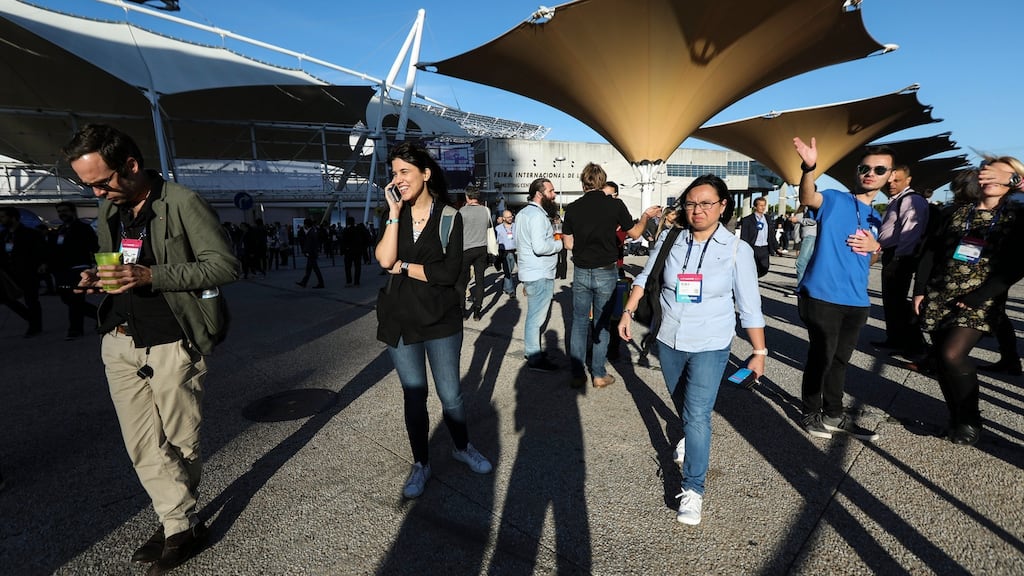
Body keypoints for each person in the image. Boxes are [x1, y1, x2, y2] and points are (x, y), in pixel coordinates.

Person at [63, 123, 238, 572]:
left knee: (181, 442)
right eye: (88, 186)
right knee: (142, 444)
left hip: (173, 340)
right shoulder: (110, 209)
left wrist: (152, 275)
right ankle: (181, 525)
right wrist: (96, 278)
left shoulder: (182, 202)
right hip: (120, 340)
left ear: (131, 165)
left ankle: (177, 524)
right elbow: (118, 264)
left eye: (102, 182)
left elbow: (225, 266)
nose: (97, 193)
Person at [618, 174, 766, 525]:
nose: (697, 210)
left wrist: (759, 352)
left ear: (723, 206)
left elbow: (749, 306)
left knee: (698, 414)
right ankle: (687, 433)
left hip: (711, 342)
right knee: (682, 401)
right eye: (691, 203)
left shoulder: (736, 250)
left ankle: (693, 489)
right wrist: (628, 310)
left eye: (706, 203)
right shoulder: (671, 238)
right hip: (669, 338)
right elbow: (646, 276)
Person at [375, 141, 492, 499]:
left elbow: (448, 273)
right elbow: (384, 260)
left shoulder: (449, 216)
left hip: (441, 319)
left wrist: (405, 267)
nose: (398, 179)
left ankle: (462, 446)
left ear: (425, 174)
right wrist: (393, 213)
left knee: (450, 394)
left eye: (404, 171)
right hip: (399, 319)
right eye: (394, 173)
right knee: (415, 395)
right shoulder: (394, 215)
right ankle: (421, 463)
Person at [914, 159, 1024, 446]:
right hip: (941, 293)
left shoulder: (1016, 216)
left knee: (952, 354)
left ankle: (971, 420)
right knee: (941, 360)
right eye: (986, 173)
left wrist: (979, 296)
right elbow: (930, 251)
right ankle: (957, 418)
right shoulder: (956, 212)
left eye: (999, 175)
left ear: (1013, 180)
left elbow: (1016, 265)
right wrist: (920, 289)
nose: (989, 179)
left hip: (981, 299)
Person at [792, 137, 888, 441]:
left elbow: (871, 258)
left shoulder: (877, 217)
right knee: (821, 357)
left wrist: (876, 247)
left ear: (888, 176)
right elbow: (808, 197)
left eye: (879, 170)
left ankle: (834, 413)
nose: (870, 173)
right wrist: (809, 167)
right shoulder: (834, 199)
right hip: (821, 295)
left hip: (857, 300)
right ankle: (811, 411)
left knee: (839, 361)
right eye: (865, 168)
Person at [562, 162, 661, 388]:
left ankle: (577, 374)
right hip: (606, 271)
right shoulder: (615, 205)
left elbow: (568, 244)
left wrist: (584, 244)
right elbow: (635, 233)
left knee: (578, 323)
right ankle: (598, 374)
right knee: (602, 323)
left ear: (583, 183)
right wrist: (645, 216)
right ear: (602, 181)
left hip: (581, 271)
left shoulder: (573, 208)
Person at [872, 164, 929, 358]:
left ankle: (914, 344)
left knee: (898, 300)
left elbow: (911, 231)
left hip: (900, 255)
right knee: (891, 300)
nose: (891, 184)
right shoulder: (897, 200)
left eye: (897, 180)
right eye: (889, 180)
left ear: (908, 180)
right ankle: (895, 337)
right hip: (893, 253)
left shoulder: (910, 200)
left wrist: (898, 258)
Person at [516, 178, 563, 372]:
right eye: (551, 191)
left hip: (531, 271)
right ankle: (534, 356)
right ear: (539, 193)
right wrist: (560, 244)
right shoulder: (536, 216)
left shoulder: (523, 213)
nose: (554, 195)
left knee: (534, 316)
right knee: (536, 318)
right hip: (539, 272)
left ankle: (533, 351)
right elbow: (540, 247)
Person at [48, 201, 99, 339]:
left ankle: (75, 329)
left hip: (79, 268)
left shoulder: (83, 228)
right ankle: (99, 314)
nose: (62, 214)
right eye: (59, 212)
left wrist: (95, 266)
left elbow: (94, 246)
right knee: (66, 298)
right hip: (62, 270)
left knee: (75, 299)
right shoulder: (60, 229)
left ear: (72, 211)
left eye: (65, 211)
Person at [0, 206, 45, 337]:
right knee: (6, 298)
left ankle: (35, 326)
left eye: (3, 217)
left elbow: (40, 250)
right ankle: (32, 319)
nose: (1, 220)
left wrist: (42, 264)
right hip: (9, 273)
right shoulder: (3, 235)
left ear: (13, 218)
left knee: (31, 300)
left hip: (28, 271)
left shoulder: (30, 234)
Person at [457, 186, 492, 319]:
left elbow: (458, 230)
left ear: (467, 197)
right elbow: (488, 226)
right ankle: (477, 310)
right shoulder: (485, 210)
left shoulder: (462, 211)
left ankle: (462, 311)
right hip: (482, 248)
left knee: (461, 282)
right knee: (480, 281)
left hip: (466, 249)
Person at [738, 197, 779, 277]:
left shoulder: (767, 218)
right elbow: (744, 236)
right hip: (754, 247)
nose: (763, 207)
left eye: (764, 205)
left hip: (764, 248)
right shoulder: (747, 220)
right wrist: (744, 249)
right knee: (753, 267)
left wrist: (776, 247)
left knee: (765, 268)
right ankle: (753, 280)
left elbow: (771, 234)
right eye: (760, 205)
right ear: (755, 207)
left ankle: (754, 278)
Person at [791, 204, 818, 296]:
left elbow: (813, 220)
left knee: (801, 263)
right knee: (807, 263)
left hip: (809, 236)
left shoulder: (811, 207)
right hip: (809, 236)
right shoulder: (807, 209)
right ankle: (806, 288)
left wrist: (798, 220)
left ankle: (801, 288)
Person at [295, 218, 324, 289]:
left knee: (315, 269)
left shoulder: (311, 232)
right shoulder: (313, 231)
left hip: (312, 253)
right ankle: (304, 282)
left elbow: (311, 243)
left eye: (304, 224)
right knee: (309, 269)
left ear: (306, 224)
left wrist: (307, 252)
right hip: (312, 253)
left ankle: (321, 283)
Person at [341, 216, 370, 287]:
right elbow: (364, 239)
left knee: (348, 267)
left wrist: (343, 250)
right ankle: (357, 282)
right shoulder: (358, 230)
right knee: (357, 267)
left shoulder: (346, 230)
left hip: (348, 251)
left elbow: (343, 241)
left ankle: (349, 281)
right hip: (357, 251)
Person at [494, 209, 517, 298]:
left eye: (511, 216)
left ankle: (505, 285)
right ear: (503, 218)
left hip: (514, 251)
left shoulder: (515, 226)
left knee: (511, 269)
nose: (510, 218)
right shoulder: (498, 228)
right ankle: (511, 291)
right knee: (507, 271)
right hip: (504, 252)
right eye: (508, 217)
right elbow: (495, 241)